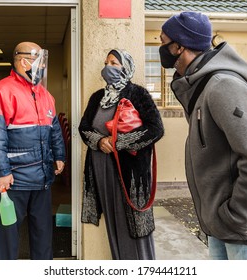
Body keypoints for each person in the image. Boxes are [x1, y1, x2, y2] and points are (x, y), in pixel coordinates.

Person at [159, 11, 247, 260]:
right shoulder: (200, 87)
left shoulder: (222, 86)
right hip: (223, 227)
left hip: (246, 232)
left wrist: (236, 218)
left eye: (163, 42)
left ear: (179, 46)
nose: (161, 48)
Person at [79, 49, 164, 260]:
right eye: (106, 62)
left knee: (134, 226)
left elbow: (156, 129)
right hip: (101, 170)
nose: (108, 66)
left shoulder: (138, 94)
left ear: (126, 67)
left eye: (114, 63)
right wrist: (99, 141)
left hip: (130, 174)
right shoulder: (97, 97)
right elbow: (83, 127)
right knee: (114, 224)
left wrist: (117, 142)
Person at [0, 41, 66, 260]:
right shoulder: (1, 91)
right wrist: (2, 172)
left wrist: (59, 156)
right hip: (14, 180)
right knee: (9, 235)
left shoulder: (45, 94)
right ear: (24, 61)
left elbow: (54, 129)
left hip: (42, 178)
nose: (42, 68)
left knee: (42, 234)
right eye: (39, 62)